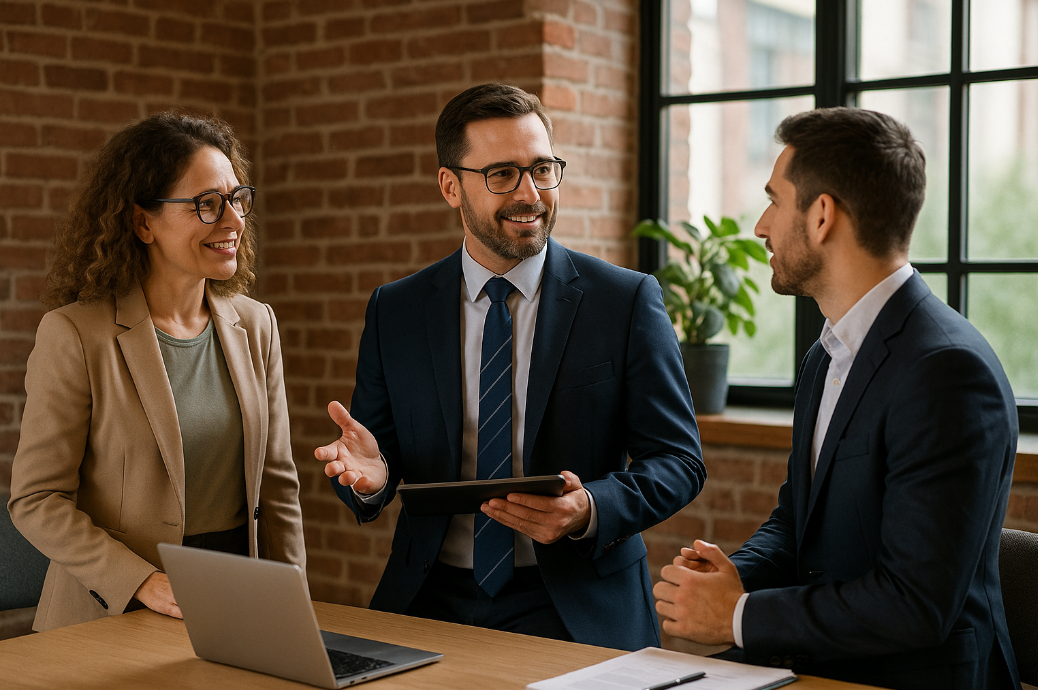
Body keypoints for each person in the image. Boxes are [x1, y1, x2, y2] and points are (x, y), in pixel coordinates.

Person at [314, 83, 704, 651]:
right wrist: (371, 481)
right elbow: (375, 457)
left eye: (542, 169)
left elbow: (679, 460)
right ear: (451, 186)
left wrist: (589, 507)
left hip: (576, 601)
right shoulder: (396, 309)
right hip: (430, 597)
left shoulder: (625, 301)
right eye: (503, 174)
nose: (530, 194)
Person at [653, 107, 1021, 689]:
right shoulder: (826, 354)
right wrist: (731, 579)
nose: (761, 226)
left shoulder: (947, 371)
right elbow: (796, 521)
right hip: (820, 669)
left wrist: (737, 616)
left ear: (822, 215)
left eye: (774, 200)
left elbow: (915, 604)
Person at [8, 111, 306, 632]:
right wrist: (143, 581)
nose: (233, 221)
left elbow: (277, 487)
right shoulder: (74, 334)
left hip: (238, 601)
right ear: (143, 222)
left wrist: (292, 607)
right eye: (207, 204)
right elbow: (36, 500)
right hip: (112, 611)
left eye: (237, 199)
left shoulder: (257, 324)